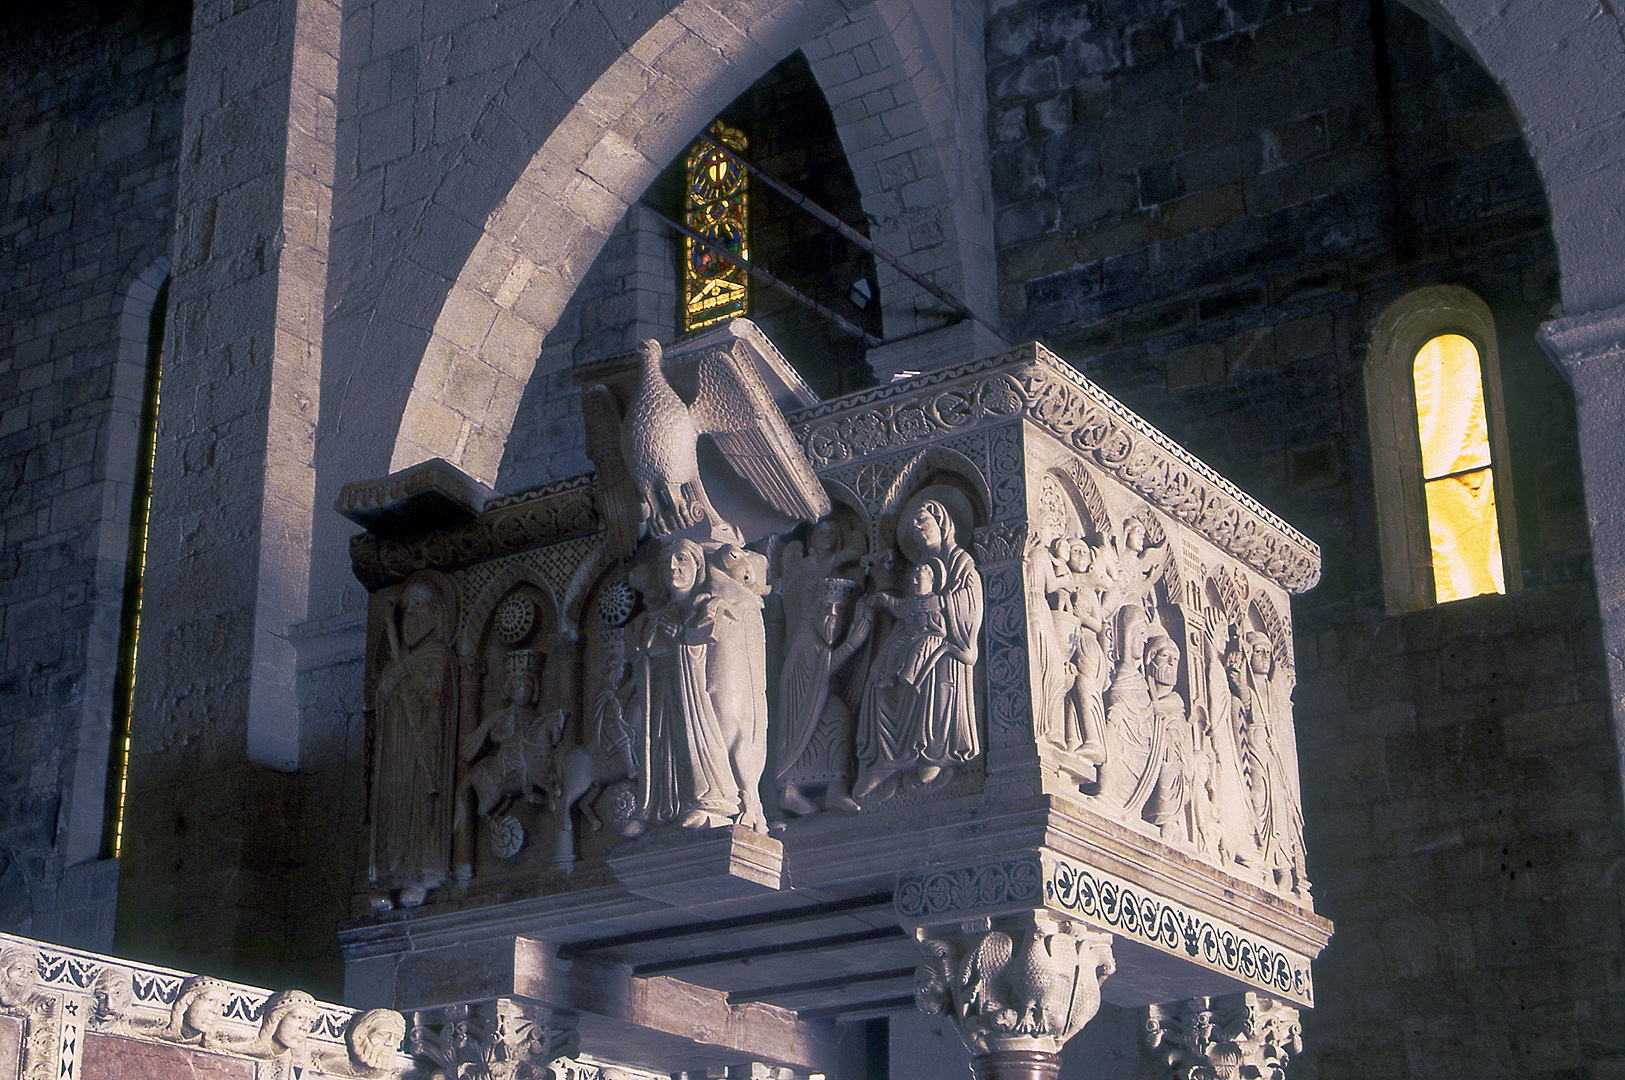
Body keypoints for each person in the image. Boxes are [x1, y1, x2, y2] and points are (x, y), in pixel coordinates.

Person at [853, 498, 983, 800]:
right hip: (915, 634)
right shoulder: (920, 570)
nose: (918, 531)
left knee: (933, 667)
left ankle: (934, 752)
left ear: (942, 523)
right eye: (912, 529)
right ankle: (883, 761)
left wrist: (940, 603)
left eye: (922, 522)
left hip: (949, 645)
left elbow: (970, 605)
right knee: (877, 681)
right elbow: (905, 608)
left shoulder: (962, 564)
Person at [371, 572, 458, 907]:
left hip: (427, 743)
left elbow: (439, 698)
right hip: (396, 744)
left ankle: (422, 875)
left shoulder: (438, 656)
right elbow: (381, 697)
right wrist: (391, 684)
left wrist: (419, 685)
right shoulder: (399, 660)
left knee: (421, 804)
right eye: (406, 610)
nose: (411, 617)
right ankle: (388, 874)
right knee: (393, 803)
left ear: (436, 615)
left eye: (419, 609)